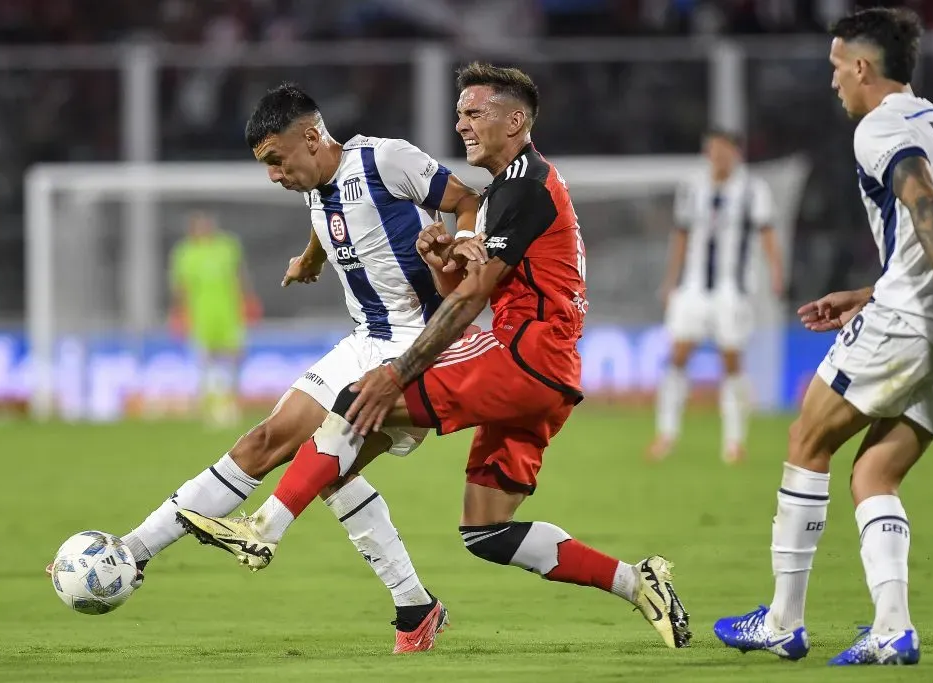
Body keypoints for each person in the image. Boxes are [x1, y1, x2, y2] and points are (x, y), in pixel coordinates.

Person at [177, 62, 693, 650]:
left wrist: (399, 369)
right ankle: (637, 582)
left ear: (515, 120)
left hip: (523, 355)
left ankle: (264, 529)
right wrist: (443, 250)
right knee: (487, 531)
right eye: (460, 113)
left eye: (475, 113)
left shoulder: (524, 183)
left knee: (358, 398)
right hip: (550, 372)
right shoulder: (510, 188)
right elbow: (472, 279)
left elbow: (471, 299)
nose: (462, 124)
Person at [122, 83, 480, 654]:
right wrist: (310, 259)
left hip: (424, 344)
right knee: (274, 444)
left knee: (322, 461)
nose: (272, 175)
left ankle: (267, 534)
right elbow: (329, 215)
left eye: (275, 161)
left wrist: (461, 251)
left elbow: (464, 197)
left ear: (312, 138)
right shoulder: (315, 182)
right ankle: (130, 553)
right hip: (367, 341)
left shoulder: (385, 158)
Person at [714, 8, 933, 665]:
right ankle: (892, 627)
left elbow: (924, 201)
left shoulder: (881, 125)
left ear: (864, 67)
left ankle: (783, 621)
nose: (834, 81)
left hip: (923, 318)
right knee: (875, 471)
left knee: (806, 439)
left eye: (838, 67)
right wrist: (873, 293)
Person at [650, 129, 784, 464]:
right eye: (711, 150)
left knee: (731, 362)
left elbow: (767, 234)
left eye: (723, 150)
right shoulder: (693, 188)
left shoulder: (754, 190)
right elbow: (681, 236)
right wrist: (670, 282)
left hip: (732, 291)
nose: (717, 156)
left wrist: (777, 273)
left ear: (736, 153)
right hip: (693, 288)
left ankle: (735, 442)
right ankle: (666, 435)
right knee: (678, 356)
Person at [168, 211, 258, 427]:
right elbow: (181, 286)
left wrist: (248, 300)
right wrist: (179, 313)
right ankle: (207, 407)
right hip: (200, 315)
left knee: (235, 358)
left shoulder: (227, 246)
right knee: (204, 361)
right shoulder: (185, 252)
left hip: (229, 313)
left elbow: (239, 275)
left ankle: (233, 403)